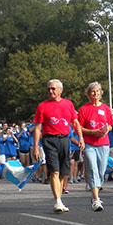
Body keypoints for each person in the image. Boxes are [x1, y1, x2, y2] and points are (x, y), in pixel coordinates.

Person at [32, 79, 85, 213]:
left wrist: (81, 139)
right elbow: (38, 128)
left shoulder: (68, 104)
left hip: (64, 140)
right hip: (49, 139)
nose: (51, 91)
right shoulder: (42, 106)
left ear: (60, 90)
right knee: (54, 171)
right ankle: (58, 201)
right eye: (49, 89)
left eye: (53, 88)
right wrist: (35, 147)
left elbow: (75, 122)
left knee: (64, 173)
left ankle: (59, 199)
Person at [77, 81, 112, 212]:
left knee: (101, 171)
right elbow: (79, 127)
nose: (95, 93)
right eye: (93, 91)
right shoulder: (84, 109)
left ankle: (95, 192)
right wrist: (92, 132)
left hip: (103, 143)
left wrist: (105, 130)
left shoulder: (105, 108)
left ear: (101, 93)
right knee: (92, 168)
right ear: (88, 94)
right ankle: (96, 199)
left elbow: (109, 124)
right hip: (89, 143)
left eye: (97, 91)